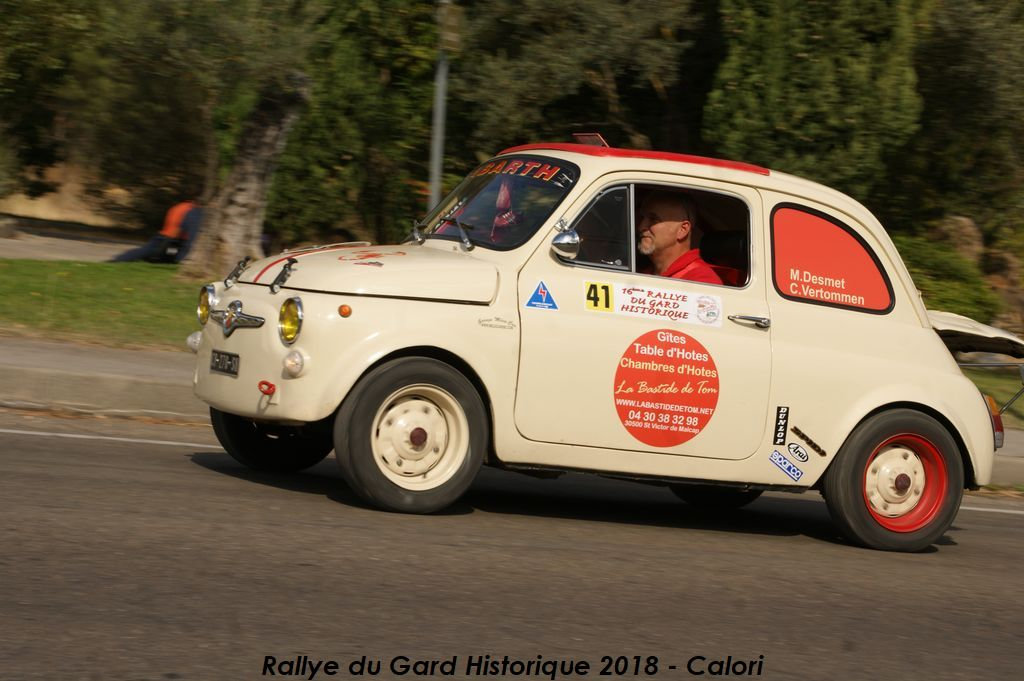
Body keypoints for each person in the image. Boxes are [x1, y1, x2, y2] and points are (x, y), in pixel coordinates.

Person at [636, 190, 722, 284]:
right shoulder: (642, 274)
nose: (641, 227)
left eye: (653, 219)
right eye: (642, 218)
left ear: (682, 230)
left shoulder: (703, 281)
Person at [111, 199, 203, 263]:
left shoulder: (179, 207)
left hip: (164, 234)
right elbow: (178, 229)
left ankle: (118, 259)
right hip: (175, 238)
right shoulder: (191, 210)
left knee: (144, 251)